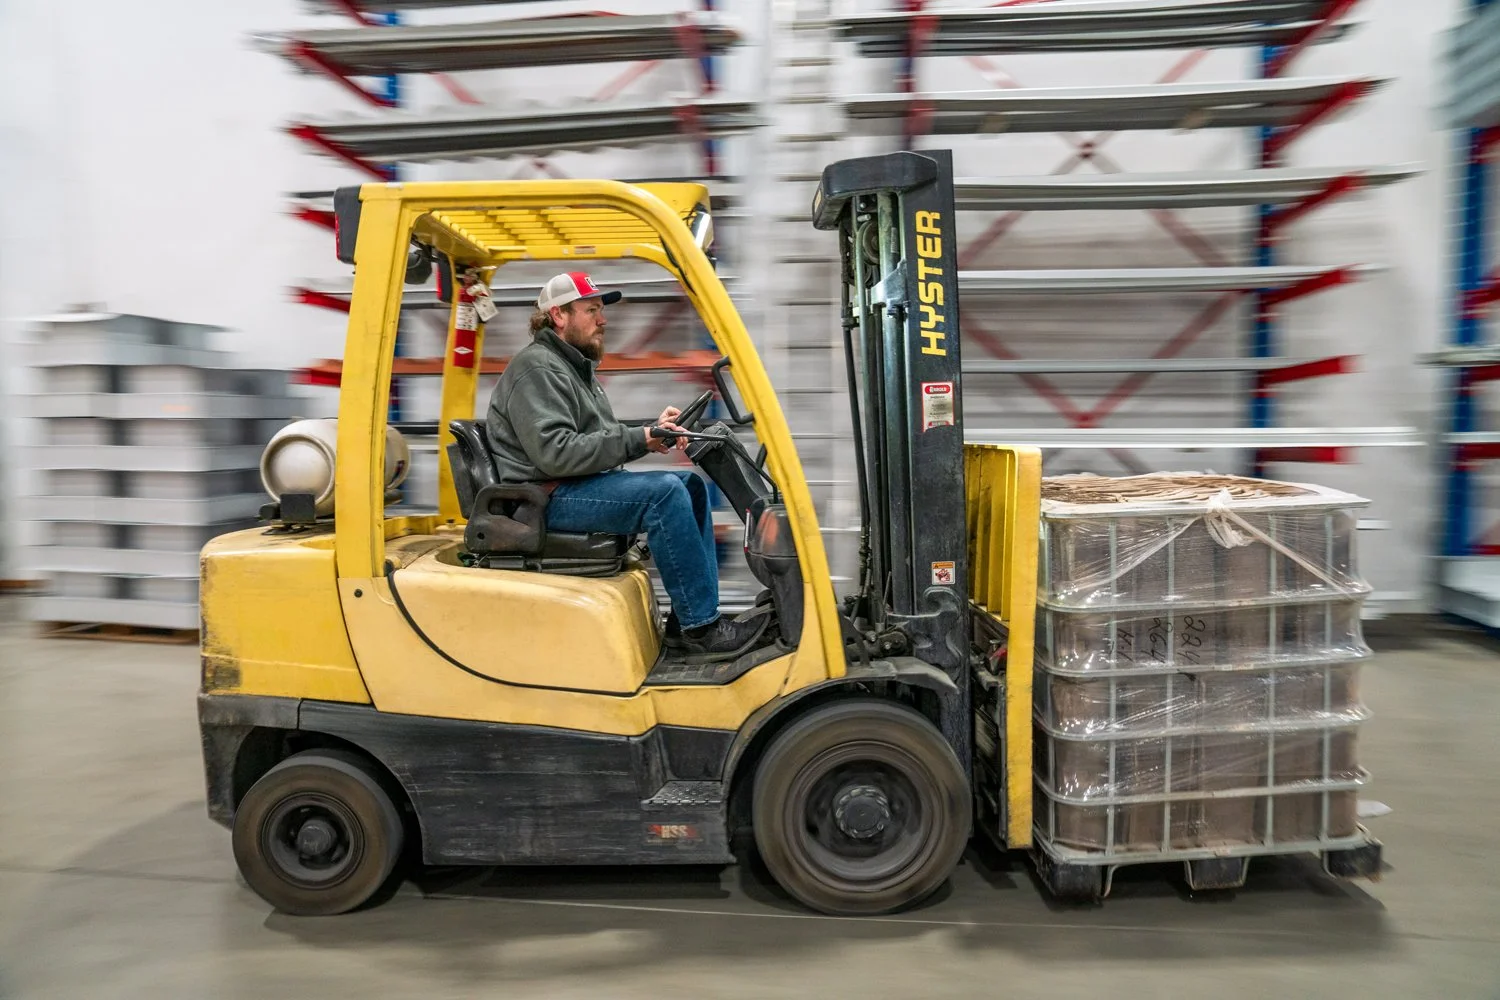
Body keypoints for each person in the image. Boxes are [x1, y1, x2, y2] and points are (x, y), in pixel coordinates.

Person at [485, 271, 764, 660]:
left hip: (572, 486)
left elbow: (597, 436)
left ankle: (691, 620)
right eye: (591, 310)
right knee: (664, 493)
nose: (603, 320)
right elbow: (557, 453)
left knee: (689, 485)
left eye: (601, 310)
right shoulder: (538, 370)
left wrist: (653, 431)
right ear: (559, 316)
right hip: (545, 497)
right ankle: (702, 629)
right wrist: (639, 438)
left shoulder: (573, 368)